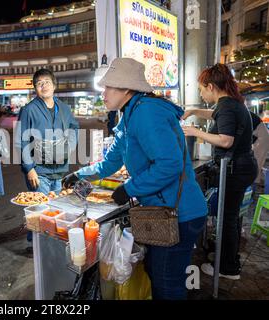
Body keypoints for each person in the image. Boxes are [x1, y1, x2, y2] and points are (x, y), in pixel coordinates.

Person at [62, 58, 207, 300]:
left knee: (166, 284)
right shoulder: (129, 116)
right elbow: (110, 162)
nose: (104, 94)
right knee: (157, 272)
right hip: (163, 211)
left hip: (180, 214)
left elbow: (169, 164)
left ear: (127, 89)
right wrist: (79, 174)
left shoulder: (146, 113)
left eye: (109, 88)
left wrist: (129, 188)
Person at [182, 63, 258, 280]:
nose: (201, 93)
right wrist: (195, 111)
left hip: (236, 168)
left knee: (227, 217)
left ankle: (227, 268)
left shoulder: (226, 106)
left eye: (201, 89)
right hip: (243, 166)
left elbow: (225, 140)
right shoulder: (231, 104)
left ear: (212, 86)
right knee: (231, 216)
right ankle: (227, 257)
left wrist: (194, 131)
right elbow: (216, 114)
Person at [15, 68, 79, 248]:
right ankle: (37, 245)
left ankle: (52, 243)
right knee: (40, 210)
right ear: (35, 88)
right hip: (39, 171)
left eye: (47, 82)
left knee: (57, 207)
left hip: (60, 169)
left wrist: (70, 145)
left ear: (54, 85)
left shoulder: (64, 109)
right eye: (39, 83)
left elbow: (74, 127)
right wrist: (29, 168)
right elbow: (22, 140)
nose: (43, 86)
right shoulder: (29, 109)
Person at [250, 111, 269, 185]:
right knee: (257, 162)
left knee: (257, 162)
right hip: (260, 135)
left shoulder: (241, 113)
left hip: (262, 137)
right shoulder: (242, 111)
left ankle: (253, 185)